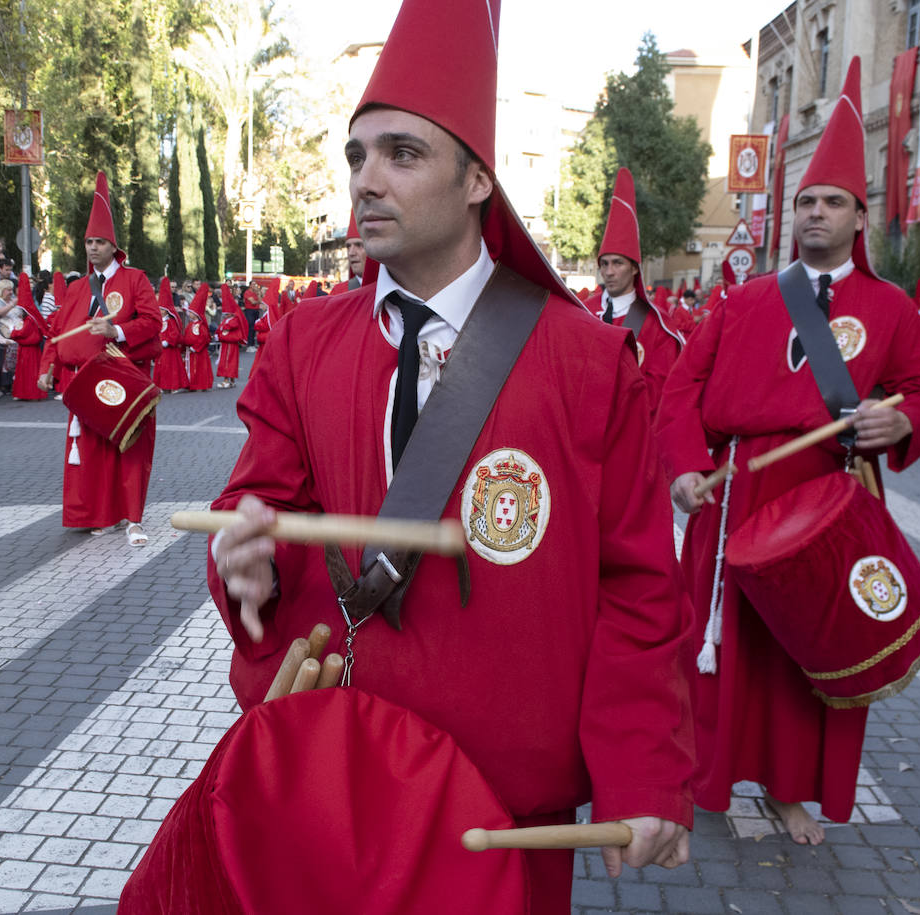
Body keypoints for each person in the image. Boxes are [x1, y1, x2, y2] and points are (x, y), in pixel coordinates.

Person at [207, 0, 694, 909]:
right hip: (340, 770)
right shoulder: (302, 342)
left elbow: (638, 583)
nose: (366, 181)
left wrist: (644, 767)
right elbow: (256, 506)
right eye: (357, 154)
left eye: (402, 154)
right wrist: (245, 562)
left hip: (501, 800)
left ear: (478, 180)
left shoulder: (587, 363)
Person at [657, 58, 920, 846]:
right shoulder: (745, 301)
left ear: (861, 215)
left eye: (831, 203)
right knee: (723, 646)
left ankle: (792, 790)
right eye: (805, 203)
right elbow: (682, 389)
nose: (815, 214)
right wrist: (686, 467)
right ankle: (706, 773)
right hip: (738, 491)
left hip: (830, 503)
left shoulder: (888, 309)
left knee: (803, 657)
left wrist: (904, 423)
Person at [38, 170, 160, 544]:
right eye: (89, 241)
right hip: (87, 383)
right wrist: (47, 369)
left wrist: (118, 331)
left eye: (99, 242)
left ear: (113, 246)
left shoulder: (135, 279)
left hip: (123, 379)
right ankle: (100, 514)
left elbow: (153, 322)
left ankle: (132, 516)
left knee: (129, 449)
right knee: (92, 453)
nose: (92, 248)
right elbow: (57, 332)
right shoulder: (76, 288)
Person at [581, 168, 684, 418]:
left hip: (634, 435)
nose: (609, 272)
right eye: (604, 264)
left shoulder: (657, 325)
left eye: (618, 263)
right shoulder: (582, 312)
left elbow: (658, 392)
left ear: (635, 268)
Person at [8, 274, 49, 401]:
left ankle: (31, 393)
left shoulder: (29, 320)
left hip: (29, 350)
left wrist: (14, 334)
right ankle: (24, 393)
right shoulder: (29, 319)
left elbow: (21, 333)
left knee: (29, 373)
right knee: (25, 373)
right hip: (27, 349)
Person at [152, 277, 189, 393]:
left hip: (169, 350)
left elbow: (175, 334)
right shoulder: (160, 321)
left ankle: (173, 386)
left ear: (166, 311)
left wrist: (167, 341)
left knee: (171, 368)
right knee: (161, 368)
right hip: (160, 349)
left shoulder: (171, 321)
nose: (160, 311)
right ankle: (161, 385)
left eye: (162, 310)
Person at [214, 282, 247, 388]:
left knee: (229, 362)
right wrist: (218, 334)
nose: (225, 315)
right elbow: (220, 329)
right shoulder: (227, 320)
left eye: (226, 314)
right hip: (226, 345)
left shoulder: (234, 320)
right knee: (227, 362)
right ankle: (231, 380)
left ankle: (227, 380)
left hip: (230, 345)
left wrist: (222, 335)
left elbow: (229, 330)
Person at [181, 282, 213, 391]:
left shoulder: (200, 325)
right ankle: (191, 384)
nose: (189, 314)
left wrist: (195, 347)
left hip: (198, 351)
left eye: (191, 312)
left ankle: (200, 385)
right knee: (190, 367)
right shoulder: (191, 324)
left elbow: (204, 338)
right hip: (190, 351)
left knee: (200, 368)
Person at [330, 212, 367, 294]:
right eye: (348, 246)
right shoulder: (338, 293)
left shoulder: (391, 291)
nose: (351, 253)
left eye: (359, 245)